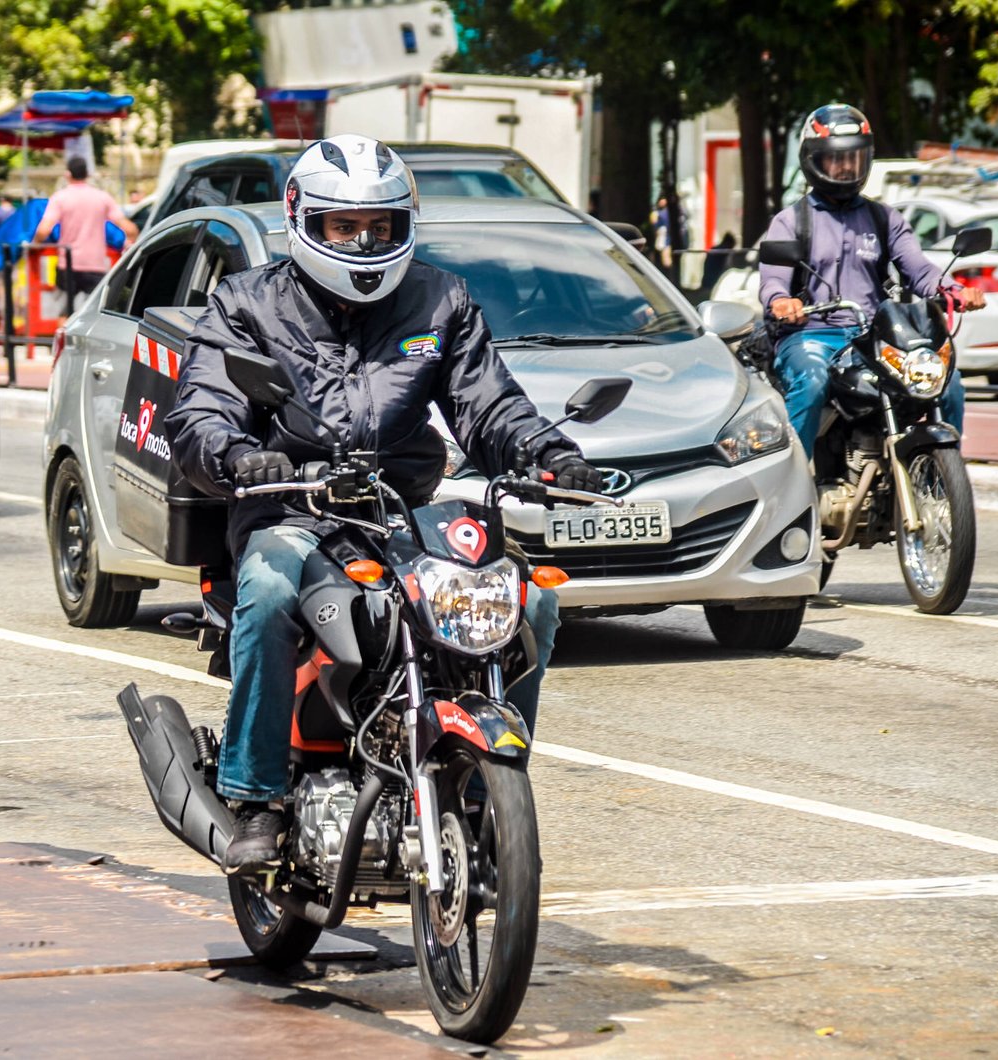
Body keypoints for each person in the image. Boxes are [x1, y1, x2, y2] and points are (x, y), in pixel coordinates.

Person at [167, 134, 615, 874]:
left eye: (380, 227)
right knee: (271, 583)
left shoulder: (441, 299)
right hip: (291, 506)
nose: (364, 242)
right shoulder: (247, 303)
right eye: (344, 226)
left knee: (526, 601)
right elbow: (202, 410)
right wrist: (242, 455)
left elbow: (487, 406)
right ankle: (257, 795)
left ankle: (485, 784)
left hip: (400, 513)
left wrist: (548, 454)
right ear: (303, 219)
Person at [760, 104, 985, 458]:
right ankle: (793, 479)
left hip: (873, 340)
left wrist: (953, 291)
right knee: (813, 381)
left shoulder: (884, 218)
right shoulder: (791, 221)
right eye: (836, 158)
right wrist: (781, 302)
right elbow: (773, 281)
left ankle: (943, 476)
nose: (847, 166)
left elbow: (920, 269)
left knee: (946, 381)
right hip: (812, 336)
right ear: (814, 160)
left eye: (855, 158)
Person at [32, 156, 138, 308]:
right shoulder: (102, 197)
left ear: (67, 175)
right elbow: (131, 229)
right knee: (96, 312)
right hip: (95, 264)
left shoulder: (60, 198)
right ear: (87, 175)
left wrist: (36, 243)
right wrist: (128, 244)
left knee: (64, 312)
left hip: (67, 264)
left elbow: (43, 230)